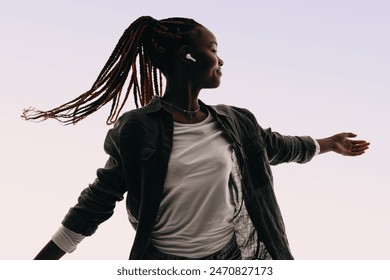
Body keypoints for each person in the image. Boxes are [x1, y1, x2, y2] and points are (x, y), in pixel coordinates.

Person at [23, 16, 370, 260]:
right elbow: (99, 199)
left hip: (233, 256)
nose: (221, 59)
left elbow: (276, 146)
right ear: (187, 55)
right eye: (214, 48)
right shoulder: (137, 128)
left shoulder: (236, 120)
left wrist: (328, 144)